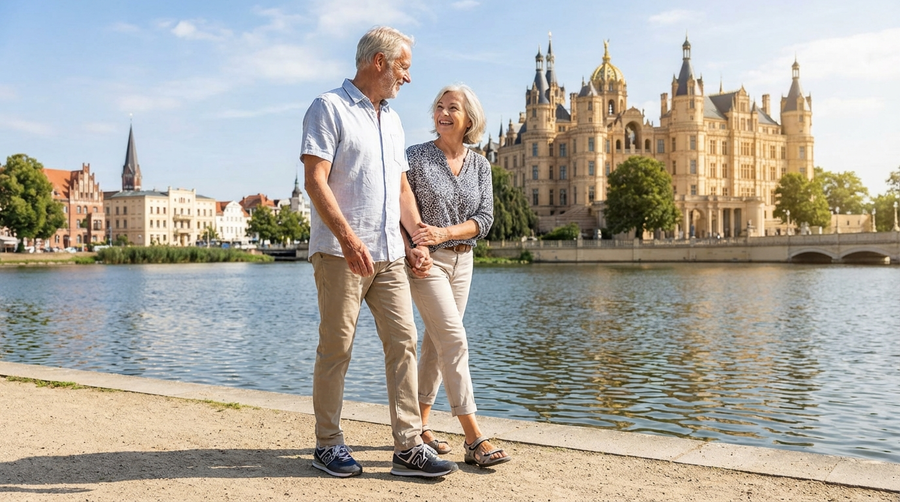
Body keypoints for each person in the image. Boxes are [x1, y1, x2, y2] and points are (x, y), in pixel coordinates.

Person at [300, 26, 458, 479]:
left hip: (389, 255)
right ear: (379, 62)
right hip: (339, 253)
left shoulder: (392, 119)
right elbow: (315, 181)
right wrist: (349, 239)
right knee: (337, 348)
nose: (407, 77)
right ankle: (328, 444)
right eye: (404, 66)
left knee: (404, 342)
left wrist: (415, 241)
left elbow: (403, 188)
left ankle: (408, 445)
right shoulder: (327, 108)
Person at [404, 84, 511, 468]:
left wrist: (446, 232)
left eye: (452, 108)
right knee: (453, 338)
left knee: (436, 343)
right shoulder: (415, 157)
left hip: (463, 261)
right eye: (439, 106)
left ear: (469, 119)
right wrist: (414, 247)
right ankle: (473, 436)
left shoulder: (481, 164)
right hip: (426, 262)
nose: (443, 113)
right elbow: (401, 209)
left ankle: (419, 427)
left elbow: (485, 220)